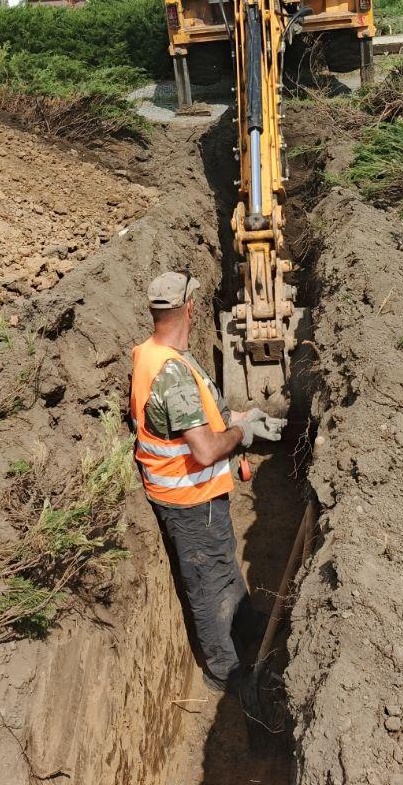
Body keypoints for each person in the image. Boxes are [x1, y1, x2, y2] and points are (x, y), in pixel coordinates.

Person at [130, 270, 285, 695]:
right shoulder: (171, 374)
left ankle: (247, 623)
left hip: (202, 495)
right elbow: (203, 448)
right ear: (189, 309)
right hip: (189, 500)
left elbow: (204, 414)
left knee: (223, 562)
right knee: (207, 584)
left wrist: (243, 417)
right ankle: (223, 670)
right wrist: (242, 436)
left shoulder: (157, 354)